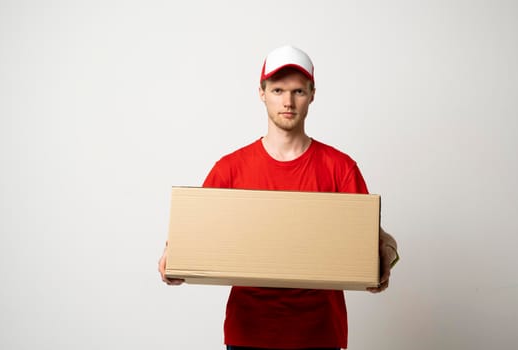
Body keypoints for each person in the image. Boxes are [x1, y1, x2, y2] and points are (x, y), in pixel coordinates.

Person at [158, 45, 399, 350]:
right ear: (262, 93)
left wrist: (384, 257)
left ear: (312, 94)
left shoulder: (340, 167)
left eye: (298, 91)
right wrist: (172, 256)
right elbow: (197, 234)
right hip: (249, 333)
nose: (287, 101)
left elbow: (377, 238)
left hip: (319, 334)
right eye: (277, 90)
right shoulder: (230, 169)